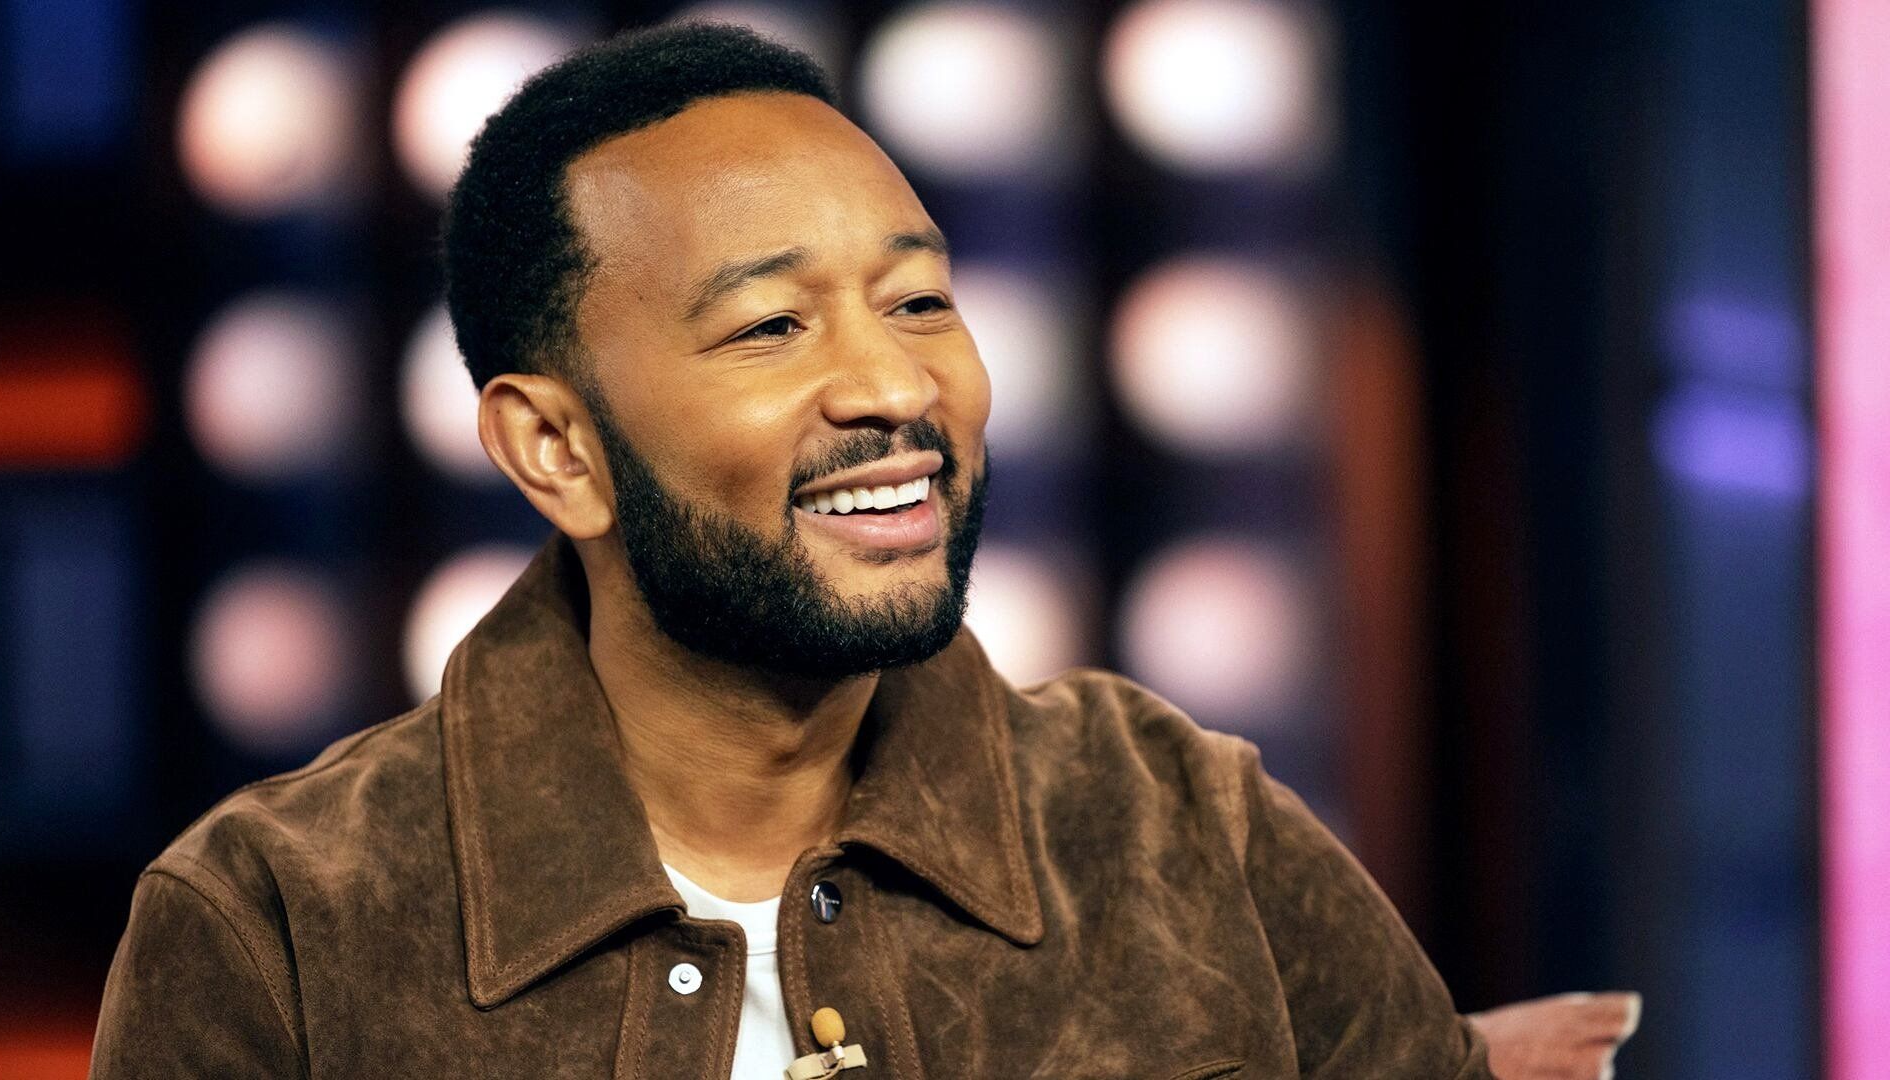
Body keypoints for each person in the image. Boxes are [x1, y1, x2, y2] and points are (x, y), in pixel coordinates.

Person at [90, 21, 1634, 1079]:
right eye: (772, 326)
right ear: (557, 450)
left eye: (919, 302)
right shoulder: (282, 927)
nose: (896, 388)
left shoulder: (1180, 828)